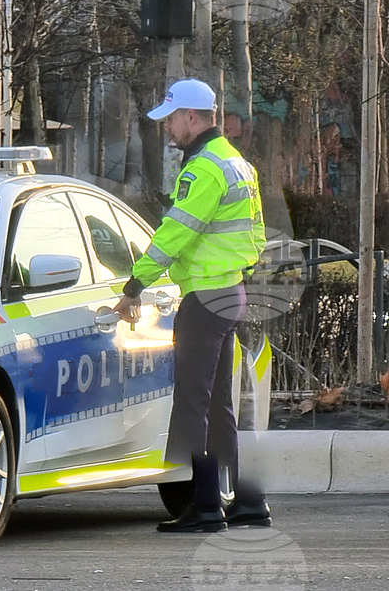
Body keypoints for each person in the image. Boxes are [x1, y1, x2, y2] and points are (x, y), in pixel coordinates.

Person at [113, 78, 270, 533]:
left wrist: (135, 283)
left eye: (172, 121)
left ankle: (204, 507)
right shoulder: (238, 163)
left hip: (204, 298)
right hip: (230, 292)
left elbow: (176, 233)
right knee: (219, 403)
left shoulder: (202, 170)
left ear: (192, 118)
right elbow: (256, 235)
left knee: (193, 404)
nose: (168, 130)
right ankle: (247, 502)